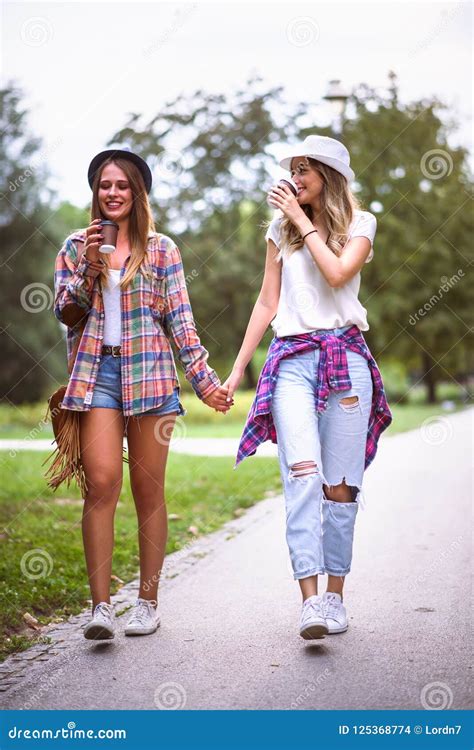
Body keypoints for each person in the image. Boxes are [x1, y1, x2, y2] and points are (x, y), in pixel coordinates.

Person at [53, 148, 232, 640]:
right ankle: (100, 609)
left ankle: (147, 603)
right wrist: (91, 267)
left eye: (122, 185)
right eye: (105, 185)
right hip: (97, 378)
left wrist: (206, 383)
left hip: (152, 377)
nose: (113, 193)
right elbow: (66, 313)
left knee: (149, 491)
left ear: (137, 193)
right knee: (102, 482)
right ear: (96, 191)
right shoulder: (74, 246)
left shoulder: (162, 249)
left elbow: (181, 322)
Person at [223, 135, 392, 641]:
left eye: (304, 170)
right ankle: (310, 600)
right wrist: (235, 372)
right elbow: (266, 303)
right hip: (293, 362)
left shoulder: (361, 224)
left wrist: (302, 222)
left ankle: (336, 597)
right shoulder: (279, 229)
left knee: (339, 488)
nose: (294, 179)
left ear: (328, 175)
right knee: (301, 474)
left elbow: (339, 274)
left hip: (345, 360)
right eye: (292, 170)